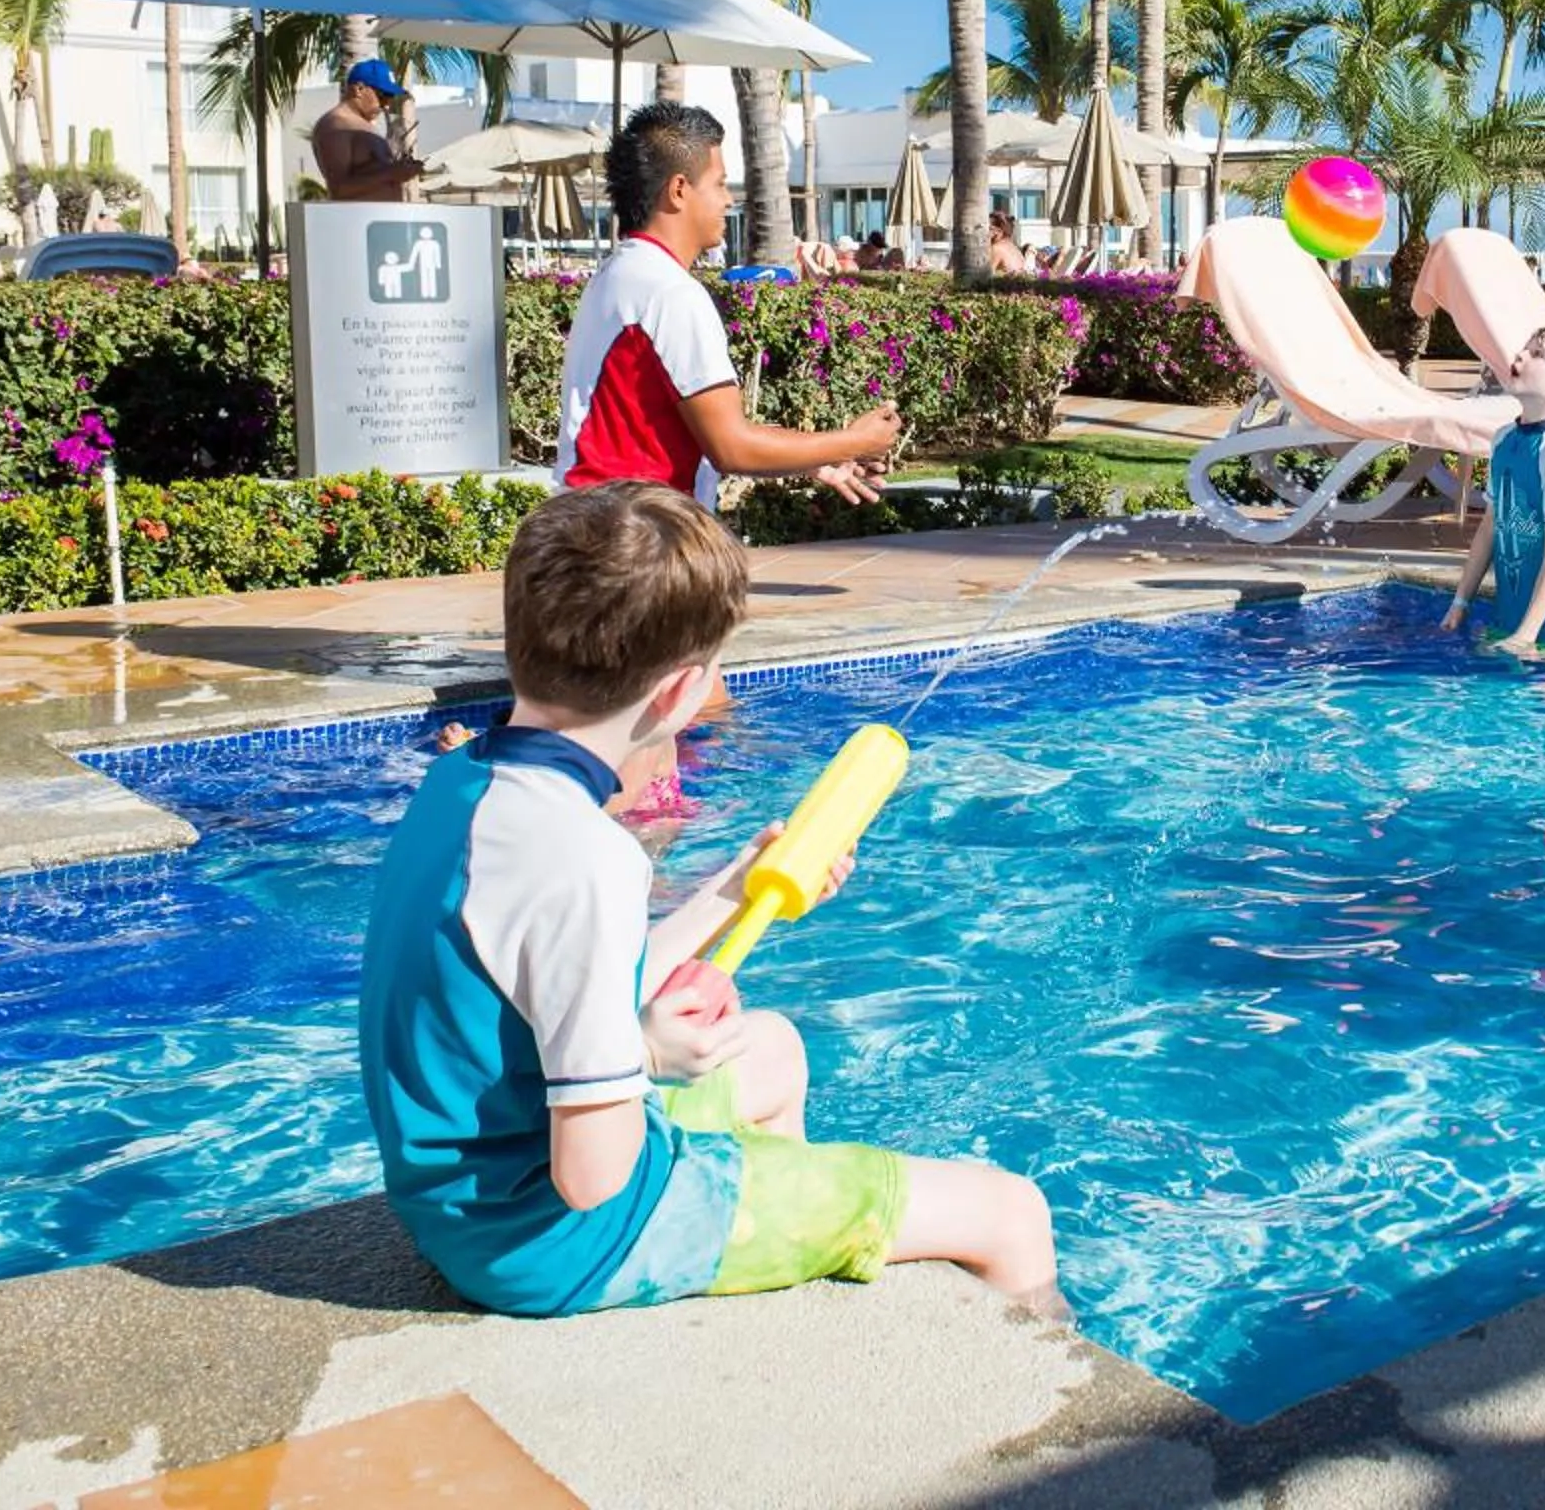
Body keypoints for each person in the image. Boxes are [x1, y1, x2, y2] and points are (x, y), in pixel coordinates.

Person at [359, 484, 1058, 1321]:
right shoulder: (588, 856)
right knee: (1011, 1212)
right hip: (558, 1241)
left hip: (463, 1205)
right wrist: (645, 1057)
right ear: (678, 694)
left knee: (771, 1049)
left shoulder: (464, 782)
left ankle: (773, 1263)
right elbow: (593, 1175)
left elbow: (548, 978)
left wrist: (735, 886)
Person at [557, 102, 898, 509]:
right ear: (679, 189)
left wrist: (822, 457)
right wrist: (855, 441)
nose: (727, 200)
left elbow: (712, 426)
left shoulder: (620, 273)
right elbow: (731, 447)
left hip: (598, 525)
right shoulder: (670, 291)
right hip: (636, 539)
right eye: (719, 184)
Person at [1444, 325, 1545, 656]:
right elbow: (1490, 527)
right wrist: (1460, 602)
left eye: (1537, 354)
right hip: (1513, 614)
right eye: (1525, 349)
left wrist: (1526, 635)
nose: (1520, 355)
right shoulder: (1504, 439)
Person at [310, 59, 425, 203]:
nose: (386, 106)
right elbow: (338, 189)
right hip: (358, 223)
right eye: (383, 97)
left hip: (381, 221)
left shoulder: (364, 125)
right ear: (359, 89)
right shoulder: (336, 125)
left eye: (390, 98)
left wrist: (402, 169)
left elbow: (378, 174)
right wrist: (393, 173)